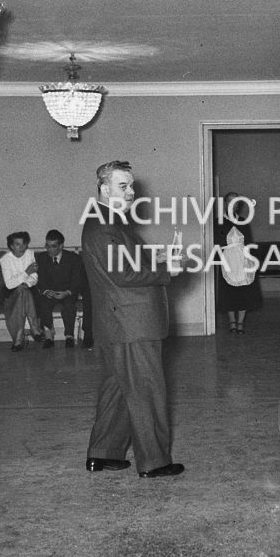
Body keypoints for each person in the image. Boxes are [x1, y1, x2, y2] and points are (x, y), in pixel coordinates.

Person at [81, 159, 184, 477]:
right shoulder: (104, 225)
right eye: (123, 186)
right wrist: (168, 270)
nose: (131, 192)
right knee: (146, 389)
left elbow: (120, 261)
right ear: (104, 188)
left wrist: (156, 256)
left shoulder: (106, 222)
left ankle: (104, 453)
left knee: (118, 389)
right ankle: (155, 462)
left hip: (120, 324)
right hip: (131, 324)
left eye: (131, 186)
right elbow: (123, 272)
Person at [214, 191, 263, 334]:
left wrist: (252, 259)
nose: (233, 204)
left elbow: (249, 242)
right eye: (230, 201)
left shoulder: (243, 221)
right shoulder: (218, 222)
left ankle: (241, 322)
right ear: (225, 204)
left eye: (236, 202)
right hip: (227, 260)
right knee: (229, 292)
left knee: (244, 291)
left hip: (243, 260)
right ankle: (232, 322)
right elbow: (217, 243)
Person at [34, 229, 84, 348]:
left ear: (61, 246)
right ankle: (48, 337)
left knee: (69, 306)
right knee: (43, 304)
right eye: (47, 245)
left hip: (67, 292)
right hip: (50, 293)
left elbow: (77, 279)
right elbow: (39, 279)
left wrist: (67, 292)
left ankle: (69, 336)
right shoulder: (41, 258)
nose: (49, 249)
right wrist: (46, 291)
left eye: (53, 246)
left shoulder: (73, 258)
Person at [0, 231, 42, 351]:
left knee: (24, 291)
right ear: (11, 246)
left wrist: (24, 283)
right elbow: (9, 284)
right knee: (22, 291)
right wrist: (26, 273)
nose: (22, 247)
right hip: (11, 294)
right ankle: (35, 328)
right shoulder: (5, 259)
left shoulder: (30, 254)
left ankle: (18, 339)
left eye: (24, 244)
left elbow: (34, 278)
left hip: (28, 289)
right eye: (18, 244)